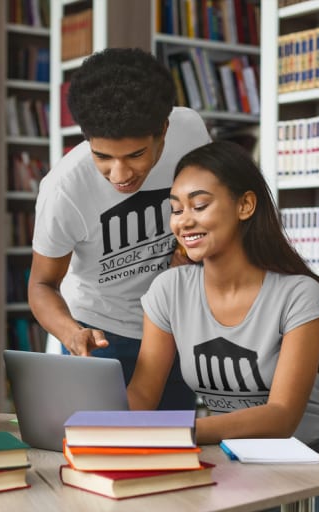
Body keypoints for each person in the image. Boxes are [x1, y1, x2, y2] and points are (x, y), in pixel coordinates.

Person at [127, 141, 319, 511]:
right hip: (238, 460)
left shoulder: (298, 294)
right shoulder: (169, 289)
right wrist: (102, 427)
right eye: (176, 209)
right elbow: (142, 394)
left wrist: (179, 431)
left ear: (245, 205)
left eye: (200, 205)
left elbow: (280, 418)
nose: (184, 220)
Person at [28, 47, 211, 410]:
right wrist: (72, 334)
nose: (120, 174)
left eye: (136, 155)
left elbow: (211, 202)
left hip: (176, 324)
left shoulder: (189, 130)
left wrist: (189, 253)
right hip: (101, 335)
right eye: (103, 157)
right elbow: (41, 284)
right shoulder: (64, 190)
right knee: (98, 450)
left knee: (172, 450)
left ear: (163, 130)